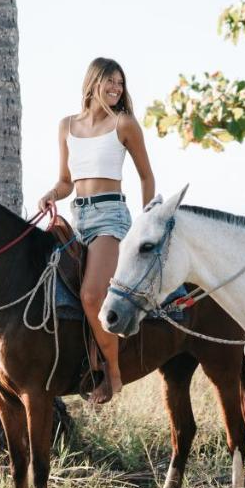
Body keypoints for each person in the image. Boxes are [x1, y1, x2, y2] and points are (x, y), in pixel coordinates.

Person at [38, 57, 155, 404]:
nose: (117, 89)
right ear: (93, 83)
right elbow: (65, 182)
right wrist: (50, 194)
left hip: (112, 218)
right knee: (61, 290)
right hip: (79, 218)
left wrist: (147, 220)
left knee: (92, 295)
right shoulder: (66, 126)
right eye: (111, 82)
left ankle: (113, 374)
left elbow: (147, 176)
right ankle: (81, 364)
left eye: (121, 83)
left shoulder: (124, 124)